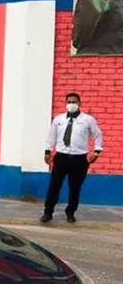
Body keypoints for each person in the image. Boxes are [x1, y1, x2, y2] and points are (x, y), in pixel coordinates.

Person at [42, 92, 104, 224]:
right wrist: (48, 151)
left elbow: (98, 135)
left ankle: (70, 212)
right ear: (65, 103)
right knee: (54, 185)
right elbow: (51, 136)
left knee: (75, 187)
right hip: (61, 158)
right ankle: (48, 212)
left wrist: (97, 152)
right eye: (69, 102)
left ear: (79, 103)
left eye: (74, 102)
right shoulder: (59, 119)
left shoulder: (88, 120)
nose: (71, 104)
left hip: (79, 159)